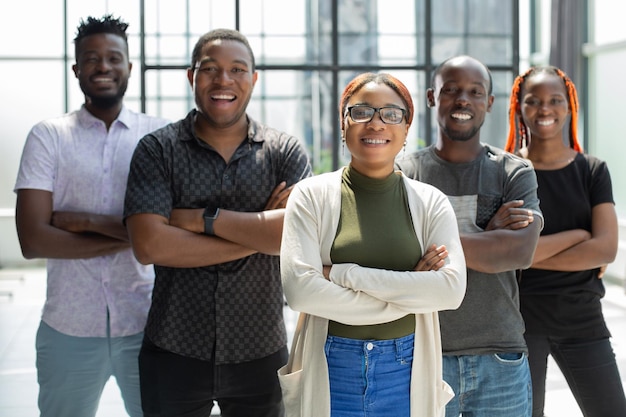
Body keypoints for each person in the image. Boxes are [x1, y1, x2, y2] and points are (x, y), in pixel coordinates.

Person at [123, 28, 312, 417]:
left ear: (253, 79)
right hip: (174, 346)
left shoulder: (284, 152)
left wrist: (198, 219)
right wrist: (261, 233)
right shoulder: (158, 150)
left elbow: (301, 237)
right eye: (210, 69)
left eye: (237, 69)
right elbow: (150, 246)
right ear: (192, 77)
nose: (223, 80)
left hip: (260, 350)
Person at [280, 72, 467, 417]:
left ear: (407, 127)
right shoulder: (310, 196)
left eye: (391, 114)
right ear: (343, 122)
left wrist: (342, 273)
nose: (376, 123)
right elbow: (301, 293)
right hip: (331, 364)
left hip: (407, 368)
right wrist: (409, 294)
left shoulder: (431, 202)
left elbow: (450, 291)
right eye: (361, 111)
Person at [13, 14, 170, 417]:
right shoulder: (48, 136)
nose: (103, 66)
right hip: (68, 328)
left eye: (113, 58)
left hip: (146, 324)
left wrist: (83, 222)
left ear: (129, 67)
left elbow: (174, 228)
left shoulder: (158, 138)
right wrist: (139, 238)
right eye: (92, 58)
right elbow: (33, 241)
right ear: (76, 69)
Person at [395, 55, 543, 417]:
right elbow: (396, 252)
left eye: (475, 92)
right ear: (432, 97)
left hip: (500, 357)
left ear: (489, 103)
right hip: (425, 355)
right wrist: (487, 234)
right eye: (451, 90)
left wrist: (433, 243)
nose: (463, 100)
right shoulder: (405, 173)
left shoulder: (513, 172)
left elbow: (518, 252)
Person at [505, 65, 626, 417]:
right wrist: (578, 237)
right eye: (534, 101)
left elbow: (605, 249)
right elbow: (506, 252)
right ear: (519, 107)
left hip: (582, 318)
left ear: (569, 105)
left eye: (555, 100)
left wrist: (522, 254)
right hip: (520, 322)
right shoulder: (506, 171)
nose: (545, 109)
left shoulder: (591, 170)